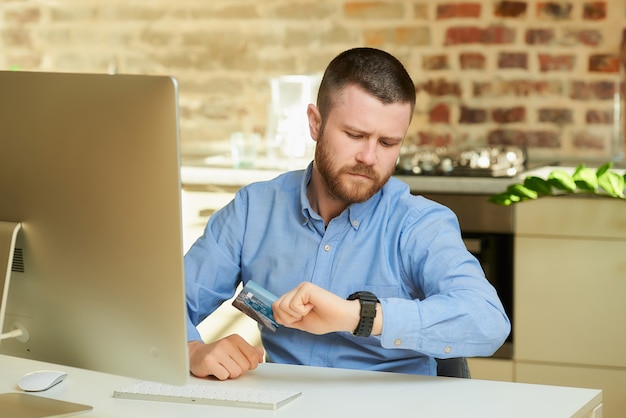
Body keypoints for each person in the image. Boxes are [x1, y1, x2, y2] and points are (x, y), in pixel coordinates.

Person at [185, 47, 511, 381]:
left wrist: (359, 316)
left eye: (387, 143)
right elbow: (164, 304)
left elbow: (487, 321)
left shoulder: (419, 223)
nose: (369, 157)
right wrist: (193, 350)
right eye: (355, 135)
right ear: (315, 123)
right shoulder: (254, 210)